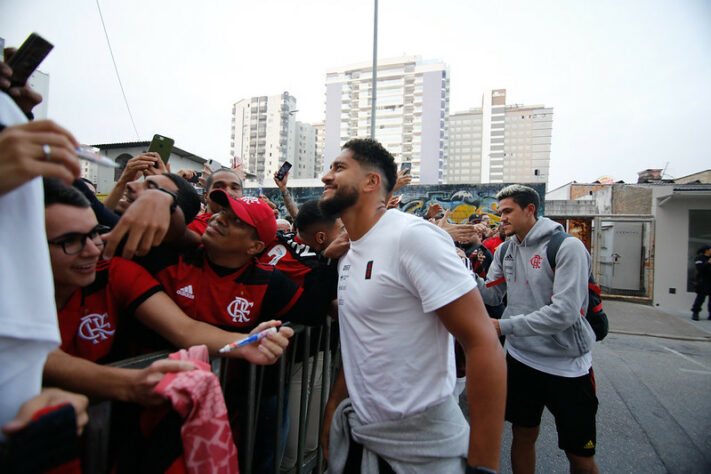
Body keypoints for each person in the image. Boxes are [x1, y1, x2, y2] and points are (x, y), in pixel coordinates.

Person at [319, 138, 505, 473]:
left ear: (371, 182)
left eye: (339, 167)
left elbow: (482, 342)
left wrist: (484, 466)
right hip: (363, 436)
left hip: (426, 452)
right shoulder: (350, 251)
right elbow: (364, 338)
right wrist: (334, 407)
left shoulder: (412, 236)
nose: (326, 177)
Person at [42, 178, 294, 404]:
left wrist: (243, 345)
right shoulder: (12, 288)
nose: (92, 249)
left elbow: (185, 329)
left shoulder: (117, 269)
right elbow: (37, 358)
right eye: (69, 241)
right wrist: (129, 384)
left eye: (95, 234)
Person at [474, 184, 599, 474]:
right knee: (522, 435)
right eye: (499, 211)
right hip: (521, 360)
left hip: (567, 366)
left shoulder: (567, 247)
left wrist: (503, 326)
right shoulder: (505, 249)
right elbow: (492, 295)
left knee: (579, 453)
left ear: (530, 209)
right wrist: (462, 270)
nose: (500, 218)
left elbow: (564, 313)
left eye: (507, 211)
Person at [691, 245, 711, 320]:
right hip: (703, 281)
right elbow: (700, 269)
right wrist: (708, 263)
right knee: (700, 298)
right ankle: (695, 312)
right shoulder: (699, 258)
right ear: (707, 250)